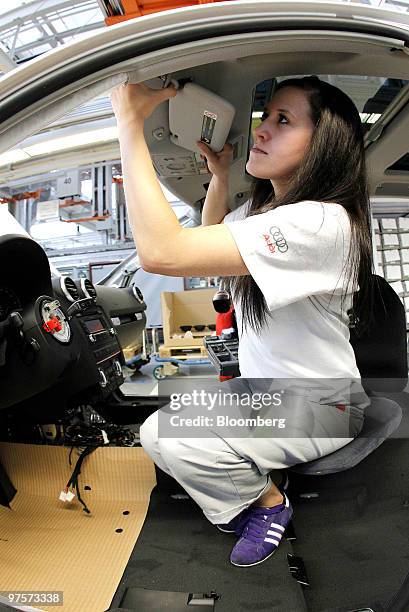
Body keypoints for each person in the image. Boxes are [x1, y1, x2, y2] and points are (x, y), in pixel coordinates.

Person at [110, 75, 373, 567]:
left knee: (178, 440)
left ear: (325, 144)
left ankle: (270, 504)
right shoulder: (266, 212)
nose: (261, 130)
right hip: (266, 392)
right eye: (264, 117)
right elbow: (208, 246)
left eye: (283, 121)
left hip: (322, 402)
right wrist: (221, 176)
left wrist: (130, 122)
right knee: (157, 433)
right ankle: (257, 477)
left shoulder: (321, 221)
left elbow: (162, 252)